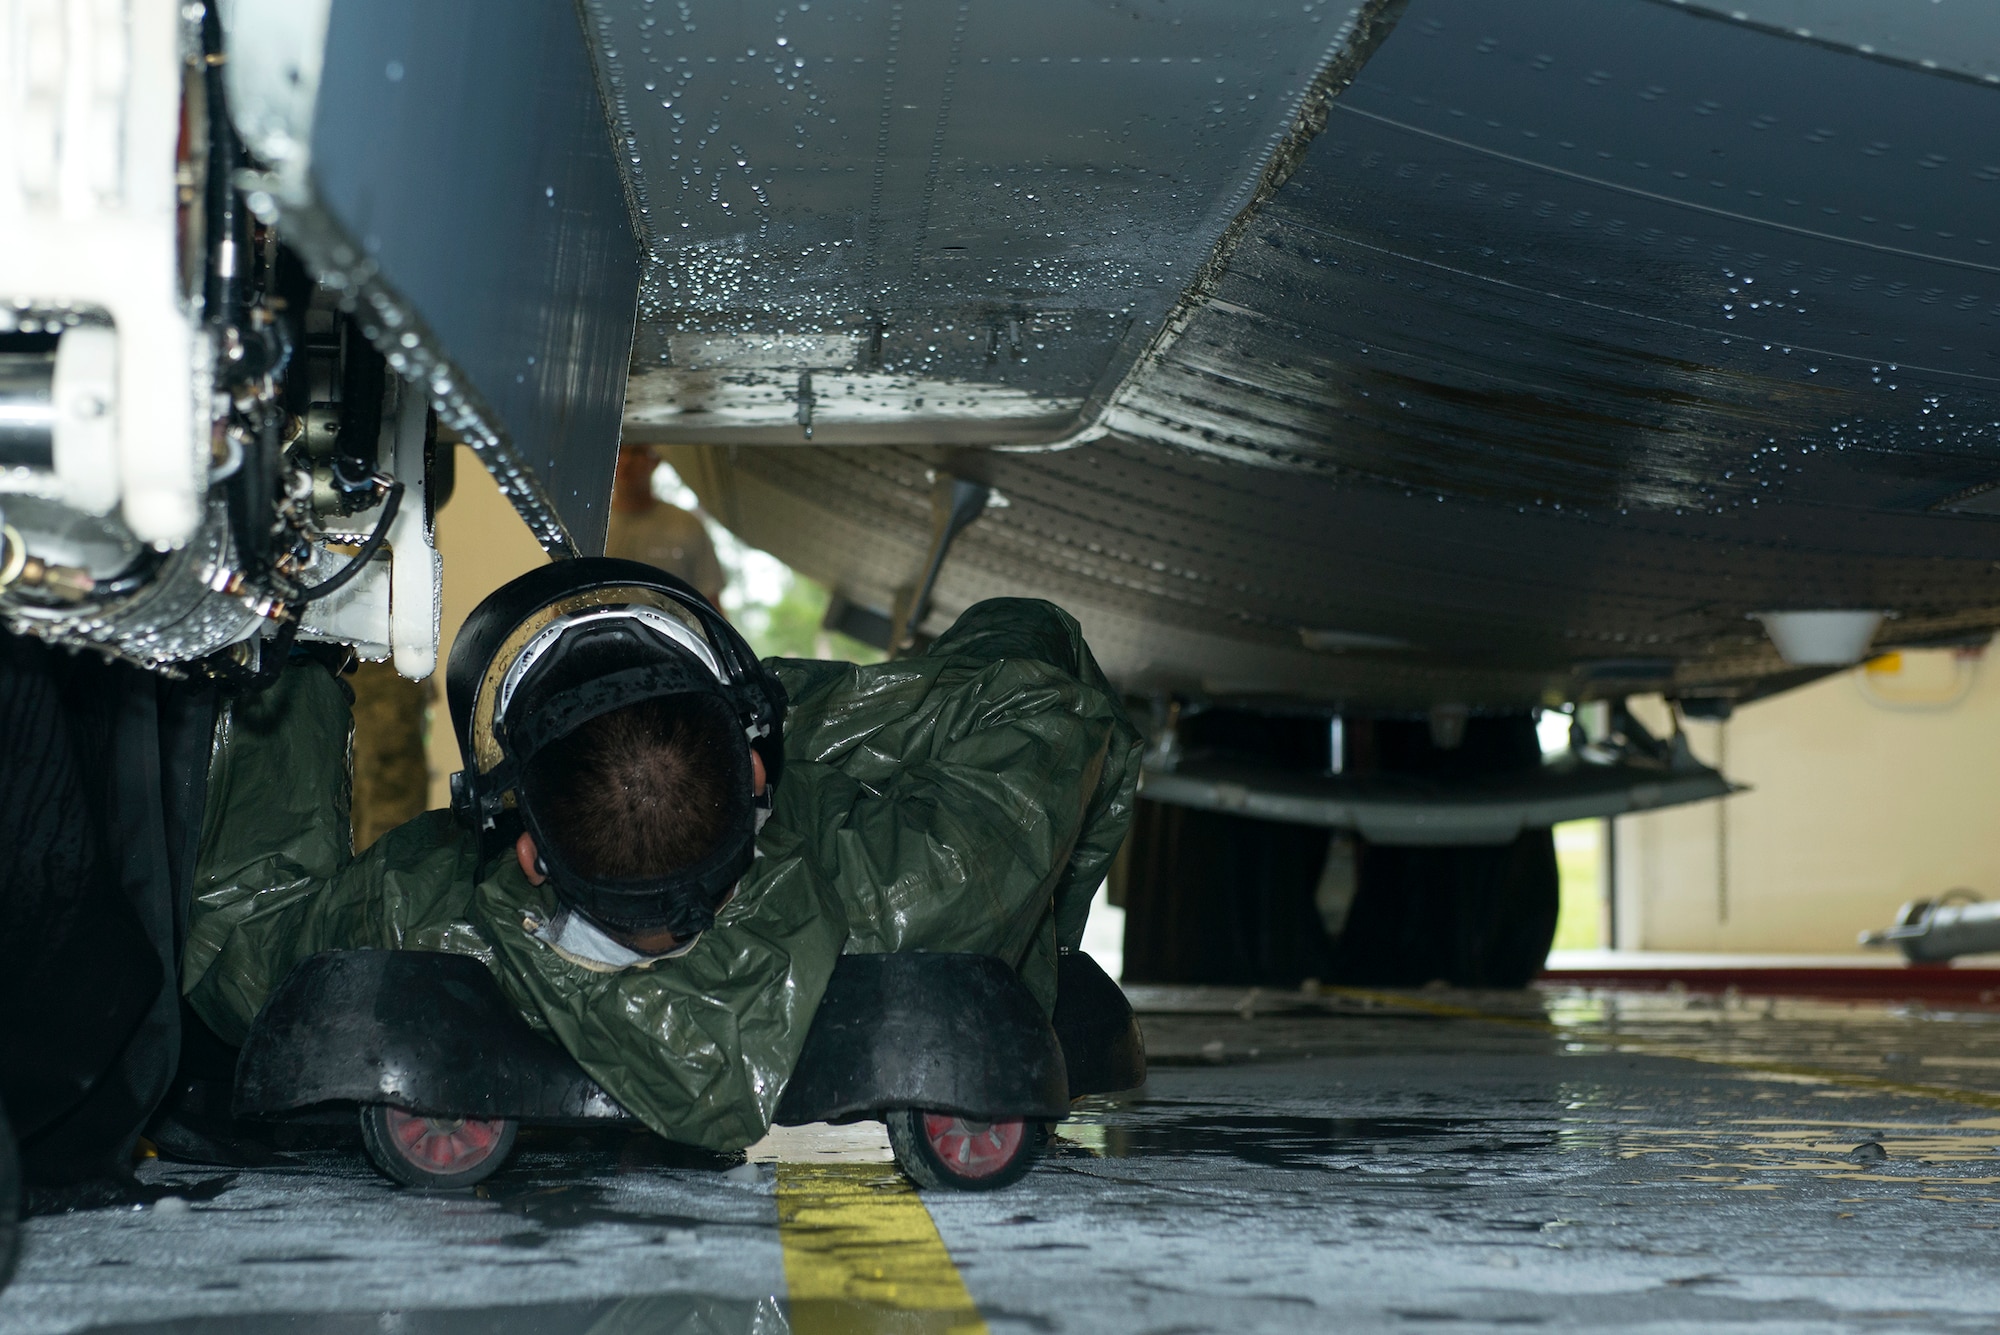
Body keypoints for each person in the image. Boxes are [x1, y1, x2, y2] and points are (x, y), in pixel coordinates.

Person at [183, 559, 1139, 1152]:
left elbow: (240, 935)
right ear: (757, 777)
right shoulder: (910, 884)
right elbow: (1042, 680)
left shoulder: (419, 908)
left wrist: (294, 662)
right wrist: (775, 713)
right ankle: (1039, 965)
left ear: (529, 853)